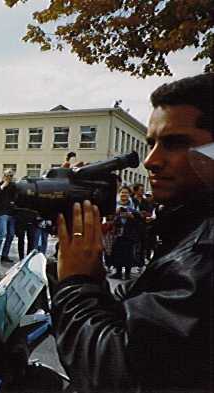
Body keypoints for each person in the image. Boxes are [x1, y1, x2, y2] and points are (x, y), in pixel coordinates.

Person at [52, 73, 213, 392]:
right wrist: (91, 277)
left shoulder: (205, 251)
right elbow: (139, 324)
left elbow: (122, 373)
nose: (152, 161)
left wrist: (75, 286)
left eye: (175, 143)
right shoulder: (188, 228)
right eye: (151, 143)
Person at [109, 185, 141, 279]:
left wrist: (131, 216)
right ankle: (118, 272)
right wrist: (116, 213)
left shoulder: (133, 204)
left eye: (126, 193)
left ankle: (127, 273)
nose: (124, 194)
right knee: (117, 252)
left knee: (128, 253)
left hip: (129, 232)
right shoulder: (115, 204)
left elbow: (139, 218)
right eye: (122, 192)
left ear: (129, 194)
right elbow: (109, 217)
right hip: (117, 232)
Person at [0, 169, 17, 264]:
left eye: (11, 176)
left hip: (11, 213)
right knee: (1, 233)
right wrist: (2, 187)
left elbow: (16, 196)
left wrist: (13, 203)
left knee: (11, 235)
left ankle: (5, 255)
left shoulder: (14, 186)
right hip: (2, 213)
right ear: (4, 176)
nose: (9, 177)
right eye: (8, 175)